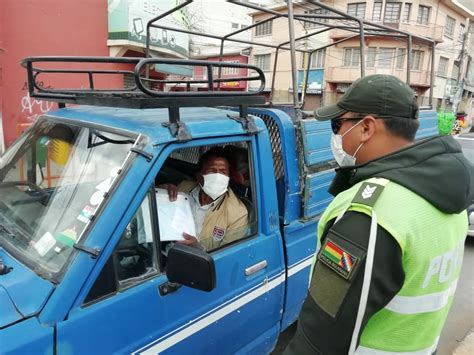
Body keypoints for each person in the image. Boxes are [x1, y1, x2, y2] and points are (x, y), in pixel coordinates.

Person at [285, 74, 474, 354]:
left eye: (338, 125)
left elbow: (320, 336)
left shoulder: (370, 212)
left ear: (366, 128)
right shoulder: (447, 194)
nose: (335, 136)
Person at [162, 147, 248, 252]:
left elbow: (227, 256)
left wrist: (197, 248)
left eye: (223, 172)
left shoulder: (238, 213)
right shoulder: (183, 188)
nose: (218, 177)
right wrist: (162, 193)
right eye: (212, 171)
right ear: (199, 177)